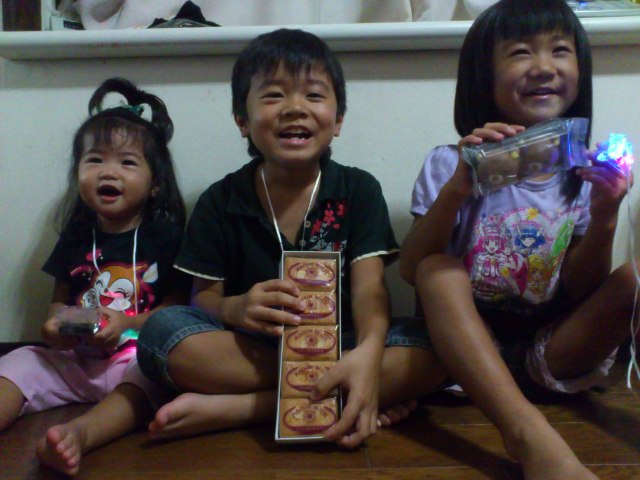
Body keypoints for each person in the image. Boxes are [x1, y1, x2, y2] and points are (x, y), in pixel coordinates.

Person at [135, 28, 439, 448]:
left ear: (338, 120)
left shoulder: (358, 189)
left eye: (314, 95)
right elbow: (202, 299)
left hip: (342, 345)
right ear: (242, 120)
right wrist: (237, 307)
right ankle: (342, 396)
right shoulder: (220, 200)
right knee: (161, 333)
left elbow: (370, 289)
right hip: (249, 347)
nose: (295, 108)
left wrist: (370, 354)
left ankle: (245, 408)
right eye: (274, 95)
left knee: (436, 345)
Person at [400, 0, 636, 479]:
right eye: (522, 52)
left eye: (560, 50)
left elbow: (580, 287)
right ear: (483, 77)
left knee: (635, 277)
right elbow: (411, 269)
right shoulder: (449, 163)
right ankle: (527, 434)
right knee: (436, 270)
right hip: (465, 354)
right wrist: (459, 187)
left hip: (547, 350)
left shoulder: (582, 174)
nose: (544, 66)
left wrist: (605, 213)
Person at [0, 77, 189, 475]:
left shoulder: (163, 236)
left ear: (155, 184)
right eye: (95, 160)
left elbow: (175, 311)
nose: (109, 172)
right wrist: (54, 328)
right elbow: (59, 299)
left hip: (131, 357)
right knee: (20, 360)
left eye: (127, 162)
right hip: (76, 358)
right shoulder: (76, 233)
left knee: (151, 378)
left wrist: (129, 324)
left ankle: (79, 435)